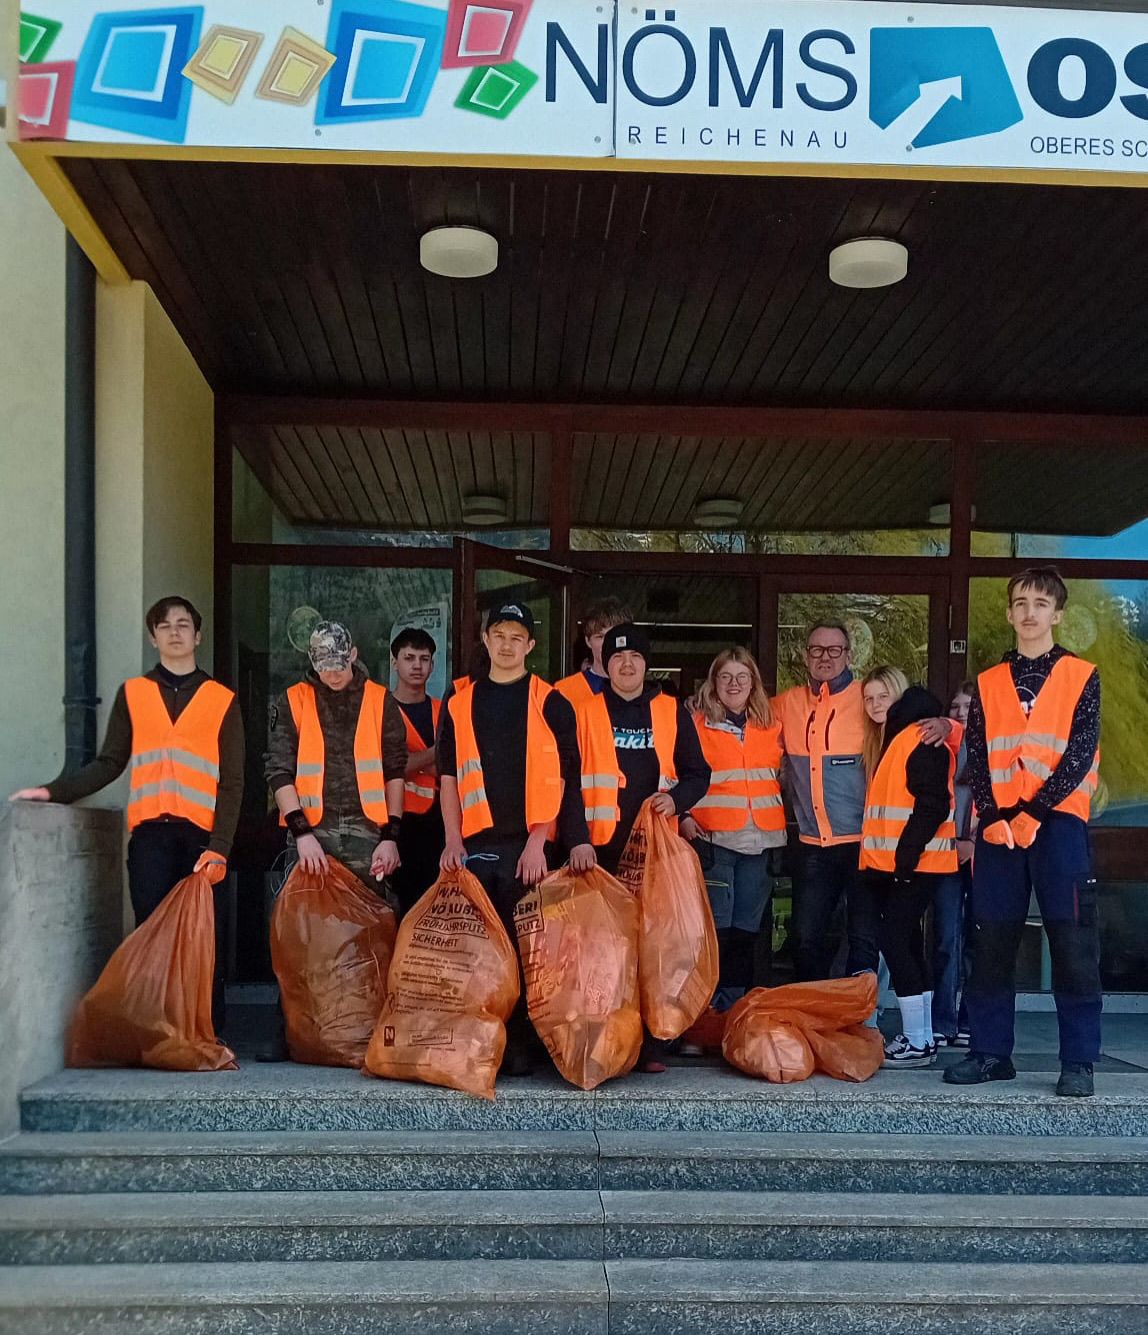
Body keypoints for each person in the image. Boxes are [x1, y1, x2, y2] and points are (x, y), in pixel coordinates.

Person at [9, 596, 243, 1027]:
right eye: (165, 625)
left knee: (202, 939)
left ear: (198, 635)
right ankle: (155, 1032)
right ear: (152, 637)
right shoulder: (134, 694)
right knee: (151, 934)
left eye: (184, 624)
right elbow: (109, 763)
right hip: (151, 837)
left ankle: (207, 1033)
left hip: (201, 841)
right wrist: (53, 791)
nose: (175, 632)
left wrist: (220, 847)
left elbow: (232, 782)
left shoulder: (220, 699)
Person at [946, 567, 1102, 1098]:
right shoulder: (988, 683)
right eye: (1020, 602)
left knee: (1072, 942)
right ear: (1009, 613)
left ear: (1057, 614)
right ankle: (991, 1052)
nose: (1030, 611)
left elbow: (1079, 755)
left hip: (1057, 825)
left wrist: (1032, 812)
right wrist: (990, 819)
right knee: (991, 942)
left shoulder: (1083, 676)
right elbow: (980, 758)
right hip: (998, 832)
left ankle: (1078, 1059)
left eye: (1040, 603)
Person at [438, 602, 590, 1076]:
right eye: (498, 634)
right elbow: (448, 779)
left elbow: (564, 778)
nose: (506, 644)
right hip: (475, 843)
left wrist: (539, 842)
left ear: (531, 646)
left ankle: (522, 1044)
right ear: (486, 640)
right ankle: (483, 1040)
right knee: (479, 952)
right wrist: (450, 840)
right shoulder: (459, 702)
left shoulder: (550, 701)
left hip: (527, 848)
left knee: (530, 950)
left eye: (516, 636)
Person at [774, 621, 952, 983]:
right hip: (813, 847)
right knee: (806, 939)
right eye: (816, 650)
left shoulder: (865, 698)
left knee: (863, 941)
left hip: (863, 845)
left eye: (834, 649)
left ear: (849, 654)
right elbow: (743, 715)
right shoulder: (786, 704)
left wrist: (949, 725)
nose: (825, 657)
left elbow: (915, 718)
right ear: (805, 655)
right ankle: (817, 1019)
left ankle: (860, 1024)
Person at [572, 622, 711, 1071]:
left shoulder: (671, 711)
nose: (626, 664)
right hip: (601, 850)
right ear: (603, 663)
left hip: (656, 854)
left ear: (646, 664)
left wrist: (677, 801)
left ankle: (651, 1045)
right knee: (603, 953)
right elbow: (566, 783)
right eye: (616, 658)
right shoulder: (585, 711)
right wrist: (576, 840)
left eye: (634, 658)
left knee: (654, 949)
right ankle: (609, 1042)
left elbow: (698, 774)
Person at [859, 667, 961, 1068]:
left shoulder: (917, 739)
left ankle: (919, 1039)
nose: (875, 706)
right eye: (869, 699)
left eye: (883, 697)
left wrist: (904, 857)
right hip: (909, 863)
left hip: (914, 864)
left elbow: (932, 805)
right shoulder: (902, 739)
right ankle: (920, 1037)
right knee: (904, 943)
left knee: (896, 940)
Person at [265, 621, 406, 895]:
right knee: (305, 923)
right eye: (324, 667)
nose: (332, 674)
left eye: (338, 665)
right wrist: (302, 834)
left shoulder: (380, 700)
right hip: (310, 828)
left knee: (368, 925)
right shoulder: (293, 700)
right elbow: (278, 770)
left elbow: (395, 771)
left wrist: (391, 837)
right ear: (312, 661)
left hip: (366, 832)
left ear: (352, 654)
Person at [680, 648, 785, 1012]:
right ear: (714, 682)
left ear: (754, 682)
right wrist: (683, 815)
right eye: (726, 677)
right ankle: (706, 1009)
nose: (735, 684)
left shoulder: (772, 723)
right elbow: (674, 773)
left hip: (762, 840)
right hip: (714, 839)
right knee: (715, 931)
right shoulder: (694, 723)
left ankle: (734, 1008)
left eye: (743, 676)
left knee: (745, 931)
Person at [932, 681, 976, 1048]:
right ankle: (943, 1020)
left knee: (979, 940)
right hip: (944, 854)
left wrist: (973, 842)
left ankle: (969, 1021)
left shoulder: (992, 748)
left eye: (969, 706)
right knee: (946, 938)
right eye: (956, 707)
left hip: (983, 856)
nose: (961, 713)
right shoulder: (938, 749)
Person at [389, 627, 444, 916]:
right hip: (395, 825)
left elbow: (455, 766)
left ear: (433, 666)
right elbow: (391, 766)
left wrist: (414, 760)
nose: (417, 665)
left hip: (439, 824)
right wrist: (435, 753)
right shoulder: (381, 710)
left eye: (424, 659)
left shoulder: (443, 710)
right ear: (394, 662)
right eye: (409, 657)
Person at [555, 597, 634, 707]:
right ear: (588, 641)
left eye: (614, 636)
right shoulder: (564, 691)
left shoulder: (644, 691)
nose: (607, 643)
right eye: (600, 637)